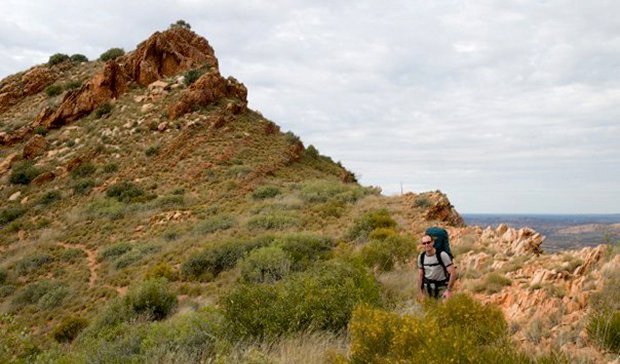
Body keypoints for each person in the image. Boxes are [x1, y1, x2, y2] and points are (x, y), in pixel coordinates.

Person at [417, 234, 456, 299]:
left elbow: (453, 273)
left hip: (441, 288)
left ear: (433, 242)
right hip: (427, 289)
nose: (426, 245)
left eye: (428, 242)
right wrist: (420, 292)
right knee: (428, 308)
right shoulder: (421, 257)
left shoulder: (442, 255)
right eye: (424, 243)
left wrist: (448, 290)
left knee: (443, 308)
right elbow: (420, 275)